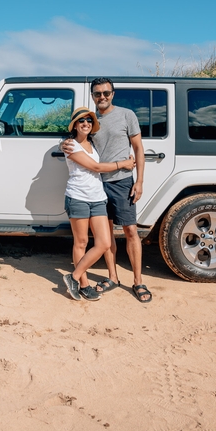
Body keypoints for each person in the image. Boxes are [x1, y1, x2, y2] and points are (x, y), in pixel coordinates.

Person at [63, 77, 152, 303]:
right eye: (97, 94)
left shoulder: (126, 115)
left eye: (106, 93)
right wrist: (62, 143)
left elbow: (139, 148)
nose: (102, 97)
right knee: (106, 235)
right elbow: (76, 140)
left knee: (131, 231)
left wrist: (139, 181)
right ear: (92, 95)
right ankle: (113, 277)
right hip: (97, 184)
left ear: (113, 93)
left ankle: (138, 281)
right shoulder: (90, 121)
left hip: (122, 181)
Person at [61, 107, 135, 301]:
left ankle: (73, 277)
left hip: (97, 197)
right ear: (75, 125)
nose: (86, 123)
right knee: (82, 243)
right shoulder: (70, 145)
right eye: (81, 120)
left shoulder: (93, 144)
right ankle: (84, 285)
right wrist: (123, 164)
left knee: (104, 243)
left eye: (89, 121)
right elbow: (96, 167)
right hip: (78, 197)